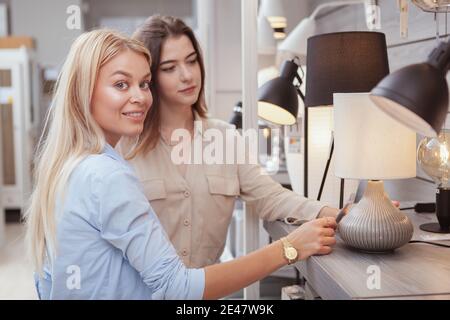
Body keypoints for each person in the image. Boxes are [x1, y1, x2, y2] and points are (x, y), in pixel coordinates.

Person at [25, 29, 336, 300]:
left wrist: (335, 215)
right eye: (121, 85)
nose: (138, 96)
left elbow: (49, 282)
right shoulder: (109, 170)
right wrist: (288, 248)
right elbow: (175, 286)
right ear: (83, 92)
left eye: (142, 83)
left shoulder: (71, 165)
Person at [116, 15, 340, 269]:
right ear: (149, 78)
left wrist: (339, 215)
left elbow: (273, 197)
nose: (187, 75)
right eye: (169, 68)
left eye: (192, 61)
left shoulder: (225, 139)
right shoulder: (124, 145)